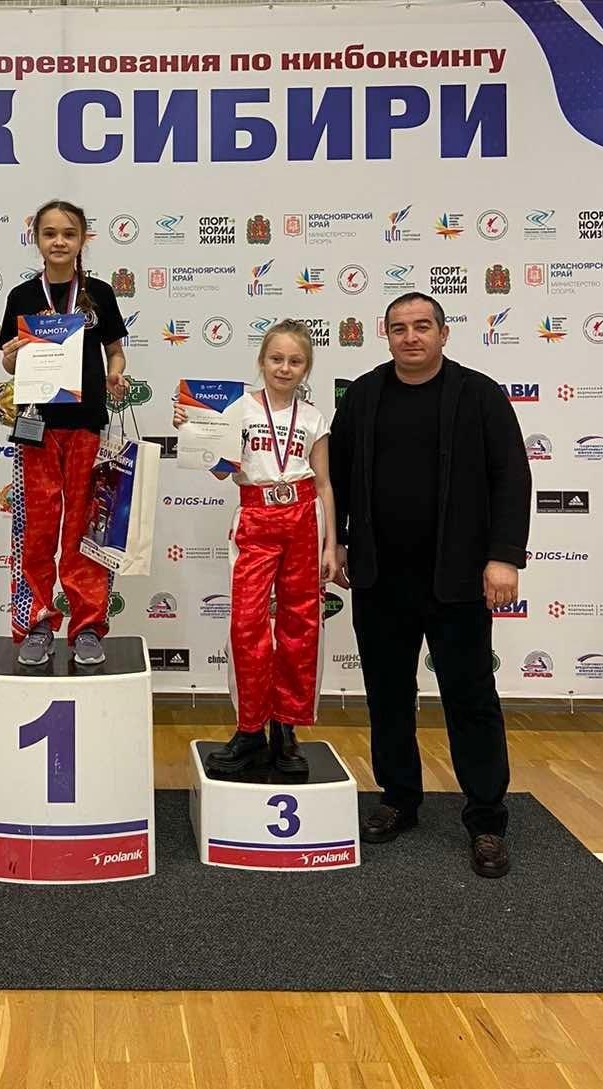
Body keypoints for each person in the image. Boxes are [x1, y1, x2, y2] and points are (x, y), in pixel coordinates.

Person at [327, 292, 530, 878]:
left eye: (422, 326)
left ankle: (487, 819)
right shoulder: (363, 395)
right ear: (386, 335)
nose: (410, 337)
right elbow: (334, 477)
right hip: (379, 578)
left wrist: (503, 557)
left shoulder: (479, 394)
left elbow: (511, 477)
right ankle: (399, 799)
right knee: (388, 696)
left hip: (459, 580)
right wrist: (337, 541)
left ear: (444, 333)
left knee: (471, 700)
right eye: (399, 328)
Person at [174, 321, 337, 777]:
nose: (285, 368)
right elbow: (220, 469)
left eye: (295, 361)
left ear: (307, 367)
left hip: (303, 518)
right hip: (255, 515)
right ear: (261, 361)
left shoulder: (313, 417)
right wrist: (195, 430)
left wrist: (331, 544)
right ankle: (249, 729)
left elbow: (324, 483)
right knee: (247, 624)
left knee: (301, 626)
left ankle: (286, 728)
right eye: (276, 359)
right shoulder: (236, 408)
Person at [0, 198, 129, 665]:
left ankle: (88, 626)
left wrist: (116, 373)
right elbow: (9, 362)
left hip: (87, 426)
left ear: (82, 240)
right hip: (38, 427)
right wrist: (11, 356)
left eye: (69, 234)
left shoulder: (99, 294)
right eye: (50, 233)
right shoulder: (22, 296)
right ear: (36, 239)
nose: (59, 241)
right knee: (36, 530)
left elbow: (116, 352)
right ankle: (36, 622)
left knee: (84, 530)